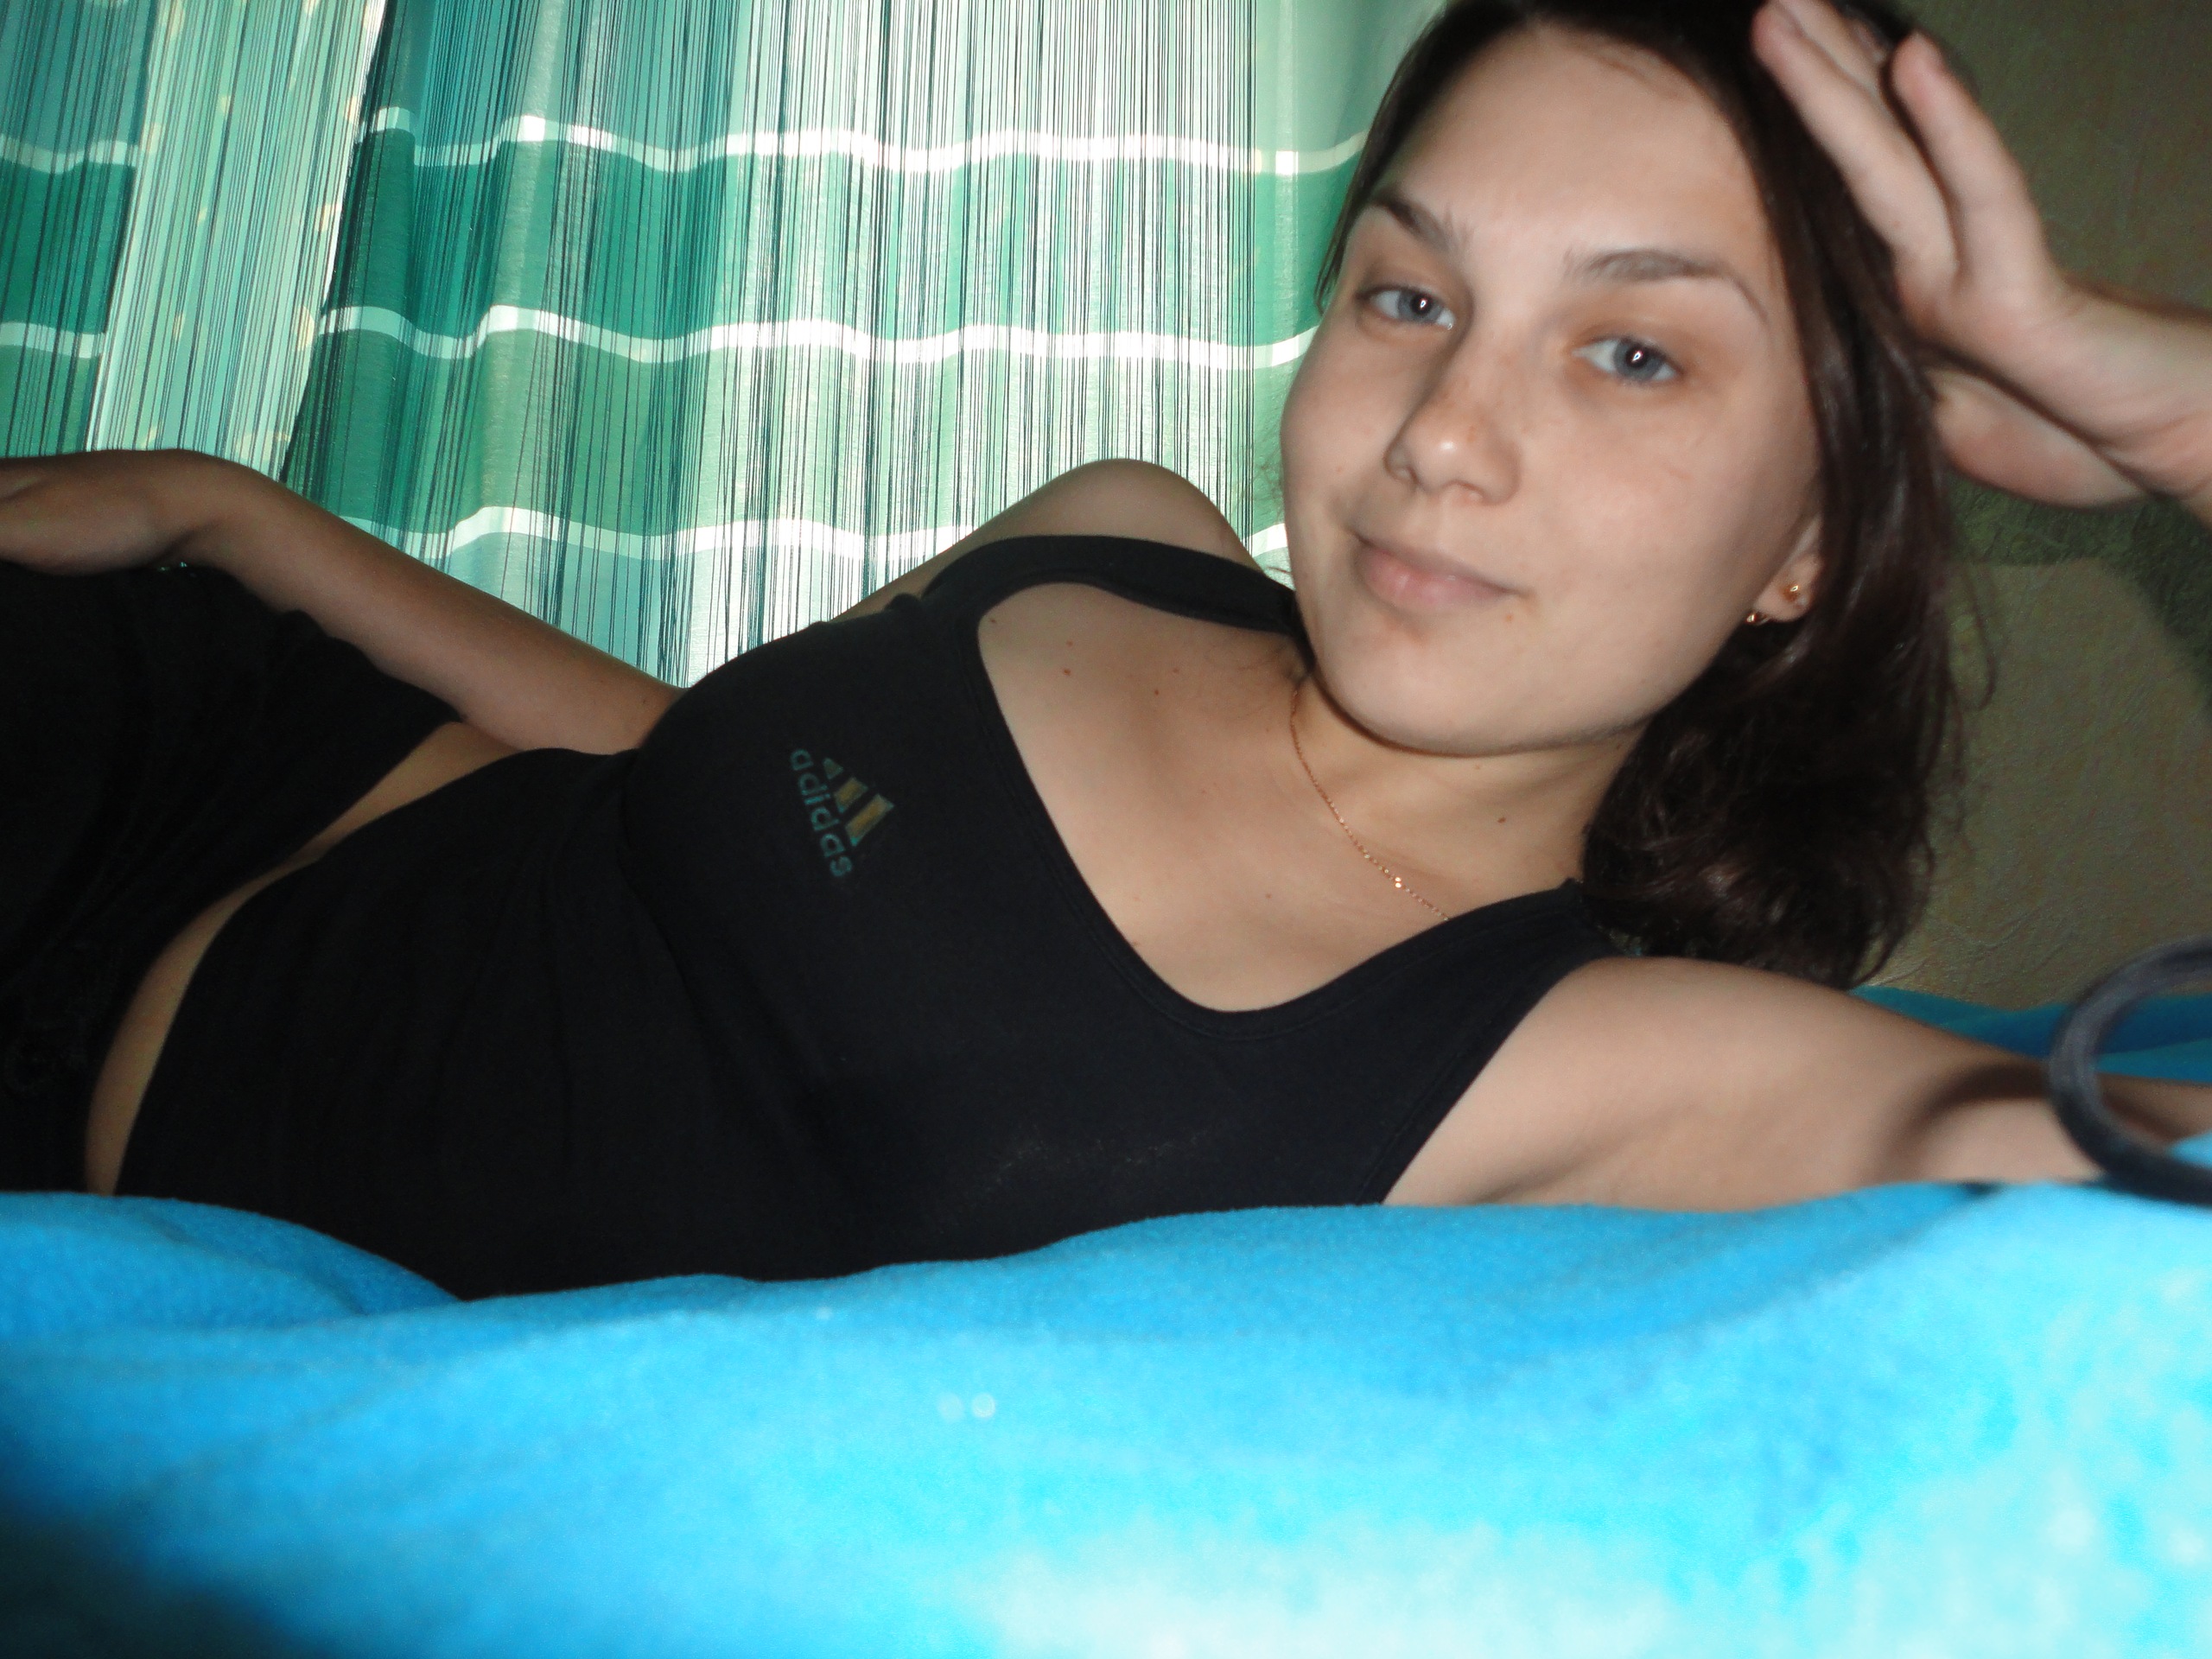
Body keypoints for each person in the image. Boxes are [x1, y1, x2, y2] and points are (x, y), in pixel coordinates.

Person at [3, 0, 2209, 1297]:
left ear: (1804, 544)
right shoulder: (1118, 539)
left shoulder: (1598, 1065)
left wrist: (2174, 409)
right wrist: (242, 517)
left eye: (1630, 352)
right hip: (192, 733)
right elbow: (693, 764)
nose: (1439, 436)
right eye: (1408, 296)